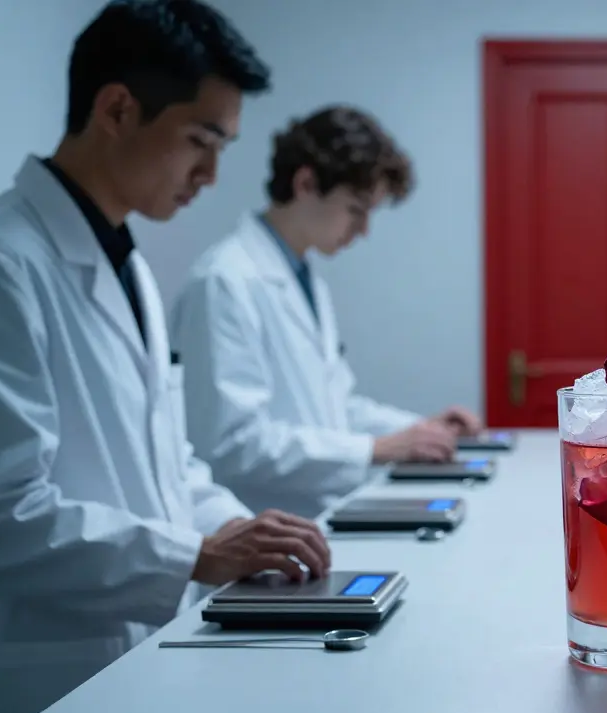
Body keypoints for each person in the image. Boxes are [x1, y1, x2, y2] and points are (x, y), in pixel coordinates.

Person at [0, 2, 333, 713]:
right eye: (200, 140)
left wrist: (255, 538)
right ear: (116, 109)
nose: (209, 174)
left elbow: (166, 462)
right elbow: (3, 514)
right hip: (50, 671)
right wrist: (195, 556)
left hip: (142, 650)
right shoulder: (2, 262)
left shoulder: (125, 262)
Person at [169, 105, 484, 520]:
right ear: (305, 183)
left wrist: (421, 430)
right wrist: (377, 449)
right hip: (255, 528)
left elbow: (335, 407)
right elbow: (231, 443)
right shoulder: (225, 280)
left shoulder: (302, 276)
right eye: (356, 209)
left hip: (314, 521)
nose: (364, 230)